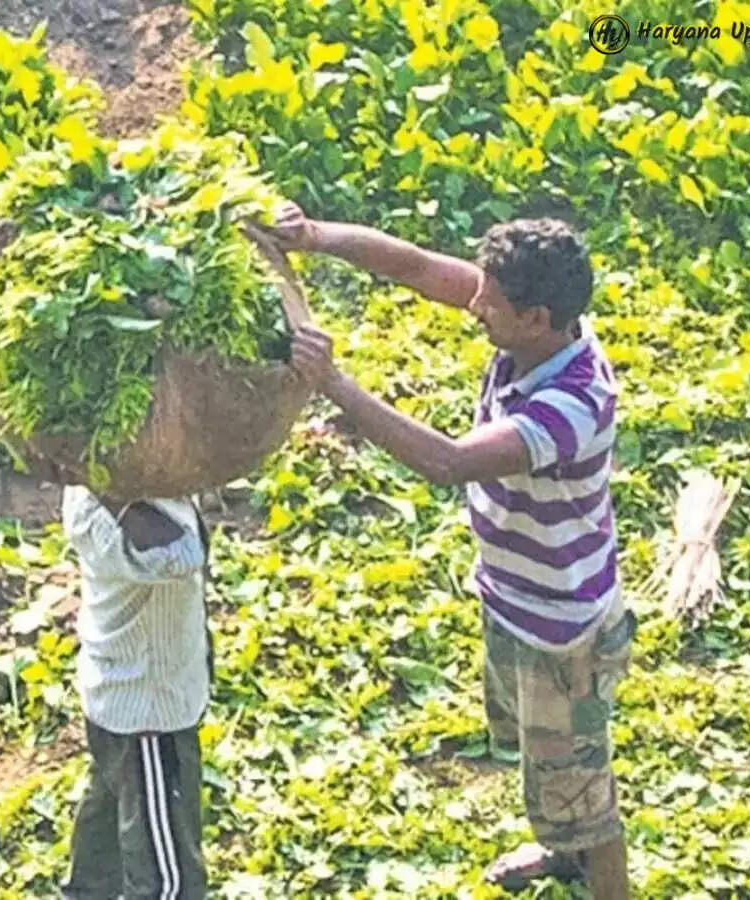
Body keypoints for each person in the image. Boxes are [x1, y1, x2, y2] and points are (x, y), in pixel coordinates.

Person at [266, 204, 636, 899]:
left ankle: (597, 872)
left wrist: (335, 385)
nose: (473, 306)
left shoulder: (572, 406)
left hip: (561, 635)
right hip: (512, 600)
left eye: (490, 303)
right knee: (542, 759)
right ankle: (559, 850)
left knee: (584, 791)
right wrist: (317, 236)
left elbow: (447, 461)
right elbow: (413, 266)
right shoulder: (535, 326)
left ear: (536, 318)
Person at [61, 485, 212, 900]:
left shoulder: (131, 494)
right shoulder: (111, 512)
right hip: (148, 717)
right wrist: (105, 486)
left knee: (107, 829)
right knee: (170, 880)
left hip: (120, 701)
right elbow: (180, 556)